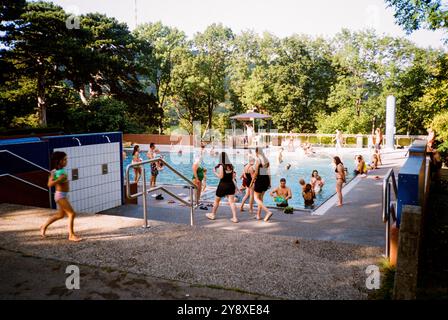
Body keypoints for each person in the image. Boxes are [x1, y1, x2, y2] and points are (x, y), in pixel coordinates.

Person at [40, 152, 81, 242]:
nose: (66, 161)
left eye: (66, 159)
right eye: (65, 159)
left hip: (64, 195)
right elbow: (49, 184)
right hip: (60, 196)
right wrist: (58, 179)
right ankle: (71, 235)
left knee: (60, 215)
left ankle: (43, 226)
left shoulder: (60, 171)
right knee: (72, 214)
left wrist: (60, 178)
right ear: (59, 161)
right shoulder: (55, 172)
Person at [206, 152, 239, 223]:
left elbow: (221, 176)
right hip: (230, 185)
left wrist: (215, 172)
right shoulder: (231, 166)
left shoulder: (221, 166)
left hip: (223, 185)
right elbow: (232, 176)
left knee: (217, 201)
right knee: (232, 202)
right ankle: (235, 218)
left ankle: (213, 214)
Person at [251, 147, 273, 222]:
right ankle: (258, 215)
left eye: (255, 152)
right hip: (265, 179)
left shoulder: (258, 160)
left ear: (257, 152)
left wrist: (251, 182)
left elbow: (256, 173)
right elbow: (268, 173)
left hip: (260, 180)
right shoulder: (266, 160)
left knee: (256, 198)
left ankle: (268, 211)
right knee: (261, 198)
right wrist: (270, 182)